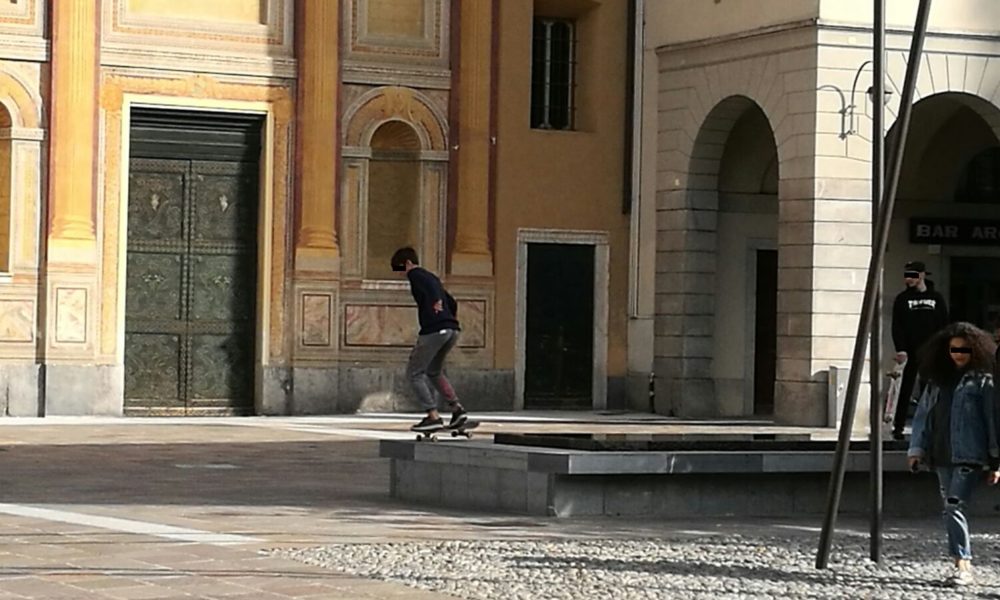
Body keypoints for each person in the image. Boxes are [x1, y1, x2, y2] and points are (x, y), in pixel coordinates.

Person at [907, 322, 999, 587]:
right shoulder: (937, 382)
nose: (958, 354)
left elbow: (991, 421)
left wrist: (995, 461)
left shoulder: (983, 381)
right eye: (954, 349)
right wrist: (916, 449)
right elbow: (923, 417)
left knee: (954, 506)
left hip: (968, 456)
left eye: (964, 350)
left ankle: (963, 564)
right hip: (941, 453)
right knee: (950, 508)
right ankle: (962, 564)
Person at [391, 247, 468, 433]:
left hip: (434, 329)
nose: (401, 274)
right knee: (434, 371)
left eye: (399, 269)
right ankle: (457, 409)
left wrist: (436, 312)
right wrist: (449, 317)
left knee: (414, 373)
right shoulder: (431, 276)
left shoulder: (415, 274)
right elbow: (451, 301)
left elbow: (436, 298)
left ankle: (432, 416)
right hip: (451, 329)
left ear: (408, 263)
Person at [891, 261, 949, 440]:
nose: (910, 279)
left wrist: (942, 346)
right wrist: (900, 348)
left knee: (931, 389)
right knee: (905, 388)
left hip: (931, 350)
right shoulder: (902, 299)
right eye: (907, 275)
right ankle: (899, 426)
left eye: (914, 275)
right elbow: (897, 326)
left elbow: (943, 324)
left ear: (922, 275)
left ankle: (930, 426)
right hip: (910, 350)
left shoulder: (936, 298)